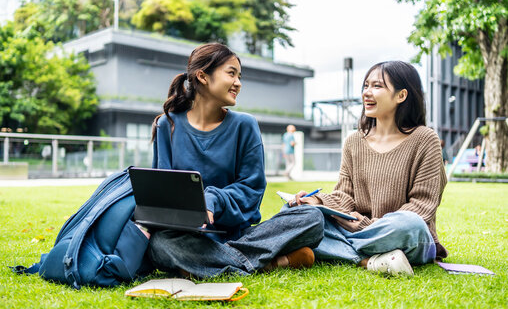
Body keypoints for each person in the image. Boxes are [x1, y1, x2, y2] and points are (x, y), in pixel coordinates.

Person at [146, 43, 324, 278]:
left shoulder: (245, 125)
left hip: (239, 234)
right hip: (188, 237)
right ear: (202, 76)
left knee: (313, 218)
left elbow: (251, 194)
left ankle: (203, 265)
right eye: (231, 73)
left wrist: (212, 199)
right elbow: (164, 191)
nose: (238, 83)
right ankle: (268, 263)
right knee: (160, 244)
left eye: (239, 76)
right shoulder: (166, 126)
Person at [290, 61, 448, 277]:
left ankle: (334, 250)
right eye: (365, 86)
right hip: (358, 229)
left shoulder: (424, 139)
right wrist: (317, 201)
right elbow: (345, 196)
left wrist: (364, 225)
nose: (367, 93)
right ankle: (369, 260)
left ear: (401, 95)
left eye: (377, 86)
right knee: (296, 212)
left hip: (404, 235)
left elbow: (422, 206)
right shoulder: (353, 141)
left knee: (409, 223)